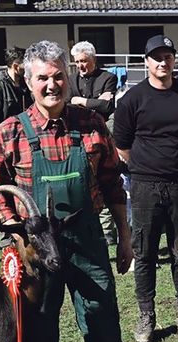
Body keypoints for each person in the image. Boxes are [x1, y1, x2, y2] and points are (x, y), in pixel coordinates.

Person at [0, 40, 159, 342]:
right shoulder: (9, 132)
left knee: (103, 329)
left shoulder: (92, 126)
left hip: (86, 242)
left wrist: (125, 238)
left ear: (68, 76)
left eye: (58, 75)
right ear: (28, 80)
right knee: (39, 334)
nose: (52, 84)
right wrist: (11, 227)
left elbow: (114, 184)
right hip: (35, 252)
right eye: (42, 77)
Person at [113, 34, 178, 342]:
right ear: (147, 62)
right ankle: (146, 315)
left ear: (174, 59)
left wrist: (175, 164)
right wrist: (148, 167)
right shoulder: (132, 99)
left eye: (167, 56)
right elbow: (123, 146)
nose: (162, 61)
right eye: (156, 57)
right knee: (145, 253)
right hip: (145, 187)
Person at [68, 40, 120, 245]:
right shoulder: (70, 80)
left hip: (102, 137)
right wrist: (94, 102)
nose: (80, 65)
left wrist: (79, 101)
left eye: (84, 61)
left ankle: (108, 232)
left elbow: (107, 107)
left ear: (94, 59)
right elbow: (65, 104)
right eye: (77, 62)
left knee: (106, 179)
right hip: (77, 137)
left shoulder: (108, 77)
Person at [0, 46, 32, 150]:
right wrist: (7, 144)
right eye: (25, 66)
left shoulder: (26, 85)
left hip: (24, 143)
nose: (29, 69)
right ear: (15, 67)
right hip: (2, 146)